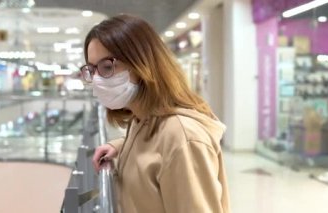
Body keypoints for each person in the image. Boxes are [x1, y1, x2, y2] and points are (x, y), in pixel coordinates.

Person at [81, 14, 230, 213]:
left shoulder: (182, 137)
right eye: (92, 70)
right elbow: (153, 151)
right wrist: (119, 146)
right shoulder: (142, 120)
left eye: (107, 67)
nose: (97, 79)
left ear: (141, 63)